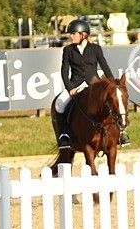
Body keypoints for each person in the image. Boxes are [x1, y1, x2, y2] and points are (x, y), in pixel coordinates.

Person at [52, 19, 130, 149]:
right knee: (59, 104)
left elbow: (105, 67)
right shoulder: (68, 50)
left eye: (73, 34)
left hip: (94, 86)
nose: (71, 36)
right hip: (76, 85)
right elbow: (64, 71)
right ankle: (64, 135)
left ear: (83, 35)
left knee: (113, 102)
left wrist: (112, 84)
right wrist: (70, 88)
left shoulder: (95, 49)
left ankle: (121, 133)